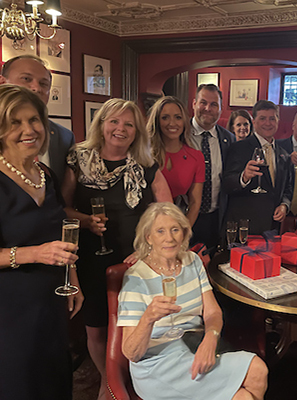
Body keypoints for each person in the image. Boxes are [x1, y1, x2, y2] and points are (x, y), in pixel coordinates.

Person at [62, 98, 172, 399]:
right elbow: (63, 208)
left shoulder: (147, 165)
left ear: (137, 131)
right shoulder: (79, 158)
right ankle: (107, 378)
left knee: (133, 326)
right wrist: (86, 222)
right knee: (96, 328)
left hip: (134, 260)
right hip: (90, 259)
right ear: (102, 124)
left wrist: (147, 251)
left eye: (128, 124)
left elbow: (167, 213)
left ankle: (130, 379)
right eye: (114, 121)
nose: (120, 129)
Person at [118, 202, 268, 400]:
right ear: (149, 238)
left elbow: (213, 312)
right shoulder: (136, 278)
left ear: (184, 232)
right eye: (160, 231)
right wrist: (148, 319)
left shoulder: (192, 261)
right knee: (245, 394)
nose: (169, 238)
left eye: (175, 230)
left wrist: (210, 338)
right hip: (158, 364)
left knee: (258, 371)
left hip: (193, 346)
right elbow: (131, 353)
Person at [0, 84, 82, 399]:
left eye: (33, 120)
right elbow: (42, 249)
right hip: (10, 307)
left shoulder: (45, 174)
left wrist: (72, 279)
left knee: (56, 378)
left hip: (51, 298)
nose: (28, 130)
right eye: (14, 122)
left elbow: (60, 232)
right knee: (19, 384)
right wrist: (35, 253)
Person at [0, 55, 75, 184]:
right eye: (26, 79)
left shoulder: (64, 137)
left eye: (43, 84)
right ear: (2, 82)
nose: (36, 88)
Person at [223, 100, 293, 235]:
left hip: (273, 228)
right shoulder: (238, 148)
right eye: (262, 119)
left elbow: (288, 188)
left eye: (272, 118)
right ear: (254, 122)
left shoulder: (284, 154)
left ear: (278, 121)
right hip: (245, 227)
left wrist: (284, 206)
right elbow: (227, 184)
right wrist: (243, 177)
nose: (268, 123)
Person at [190, 84, 235, 252]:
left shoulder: (229, 139)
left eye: (214, 104)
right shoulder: (179, 134)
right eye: (203, 102)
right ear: (194, 104)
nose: (207, 108)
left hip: (217, 217)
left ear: (221, 109)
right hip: (183, 217)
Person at [149, 96, 204, 226]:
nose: (172, 123)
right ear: (157, 121)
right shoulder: (145, 156)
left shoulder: (196, 157)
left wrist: (183, 233)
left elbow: (195, 203)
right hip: (146, 225)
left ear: (185, 121)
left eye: (178, 117)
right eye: (165, 117)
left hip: (178, 225)